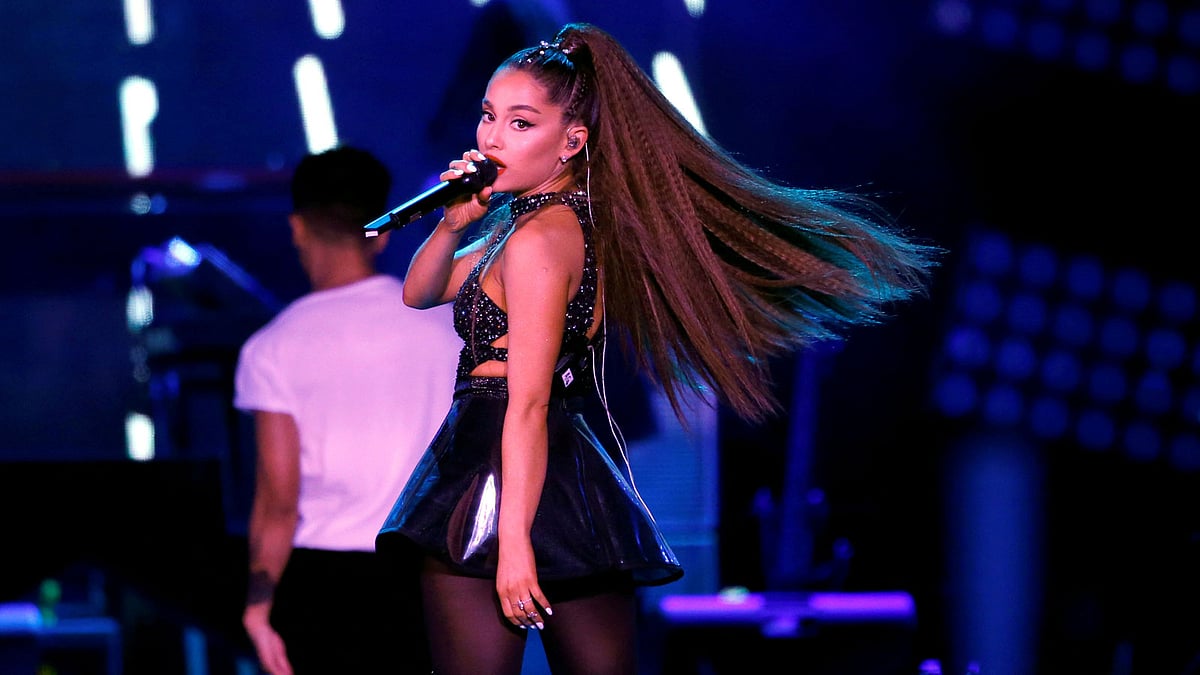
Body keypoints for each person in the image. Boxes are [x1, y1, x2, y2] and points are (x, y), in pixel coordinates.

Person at [376, 22, 943, 675]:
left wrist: (513, 545)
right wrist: (451, 224)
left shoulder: (538, 240)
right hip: (552, 476)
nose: (492, 137)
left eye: (520, 122)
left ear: (573, 140)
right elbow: (419, 291)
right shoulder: (523, 224)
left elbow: (528, 403)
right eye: (488, 116)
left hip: (504, 468)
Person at [233, 145, 460, 675]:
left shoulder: (273, 347)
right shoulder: (446, 326)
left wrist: (258, 605)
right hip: (432, 574)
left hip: (323, 584)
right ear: (382, 232)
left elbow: (277, 502)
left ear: (297, 227)